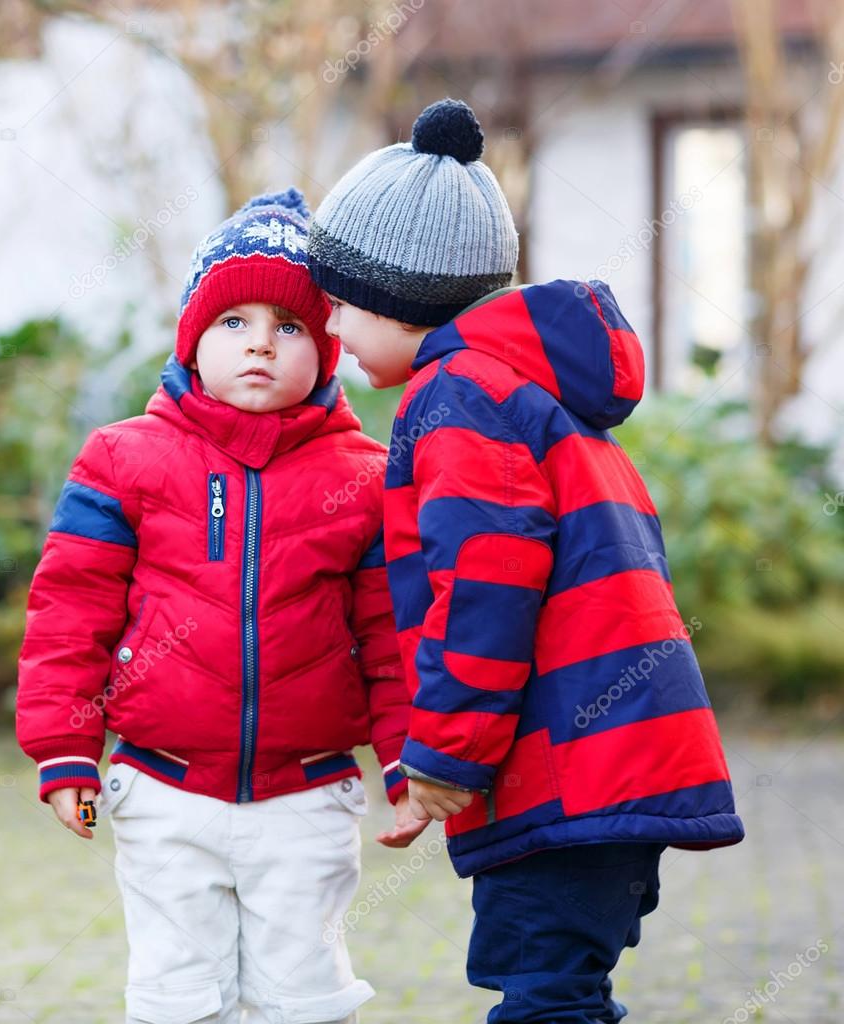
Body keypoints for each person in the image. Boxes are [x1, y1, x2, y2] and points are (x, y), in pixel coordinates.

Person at [307, 98, 745, 1024]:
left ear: (403, 293)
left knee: (546, 1000)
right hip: (604, 764)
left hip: (574, 769)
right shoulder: (527, 394)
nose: (330, 326)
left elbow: (486, 593)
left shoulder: (460, 400)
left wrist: (445, 759)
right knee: (561, 990)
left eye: (340, 298)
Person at [16, 188, 427, 1024]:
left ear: (327, 347)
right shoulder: (122, 459)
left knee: (305, 997)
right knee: (177, 996)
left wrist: (407, 761)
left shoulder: (366, 474)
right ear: (192, 339)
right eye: (233, 323)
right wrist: (64, 750)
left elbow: (391, 632)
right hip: (163, 787)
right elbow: (71, 608)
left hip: (306, 794)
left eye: (289, 328)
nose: (260, 347)